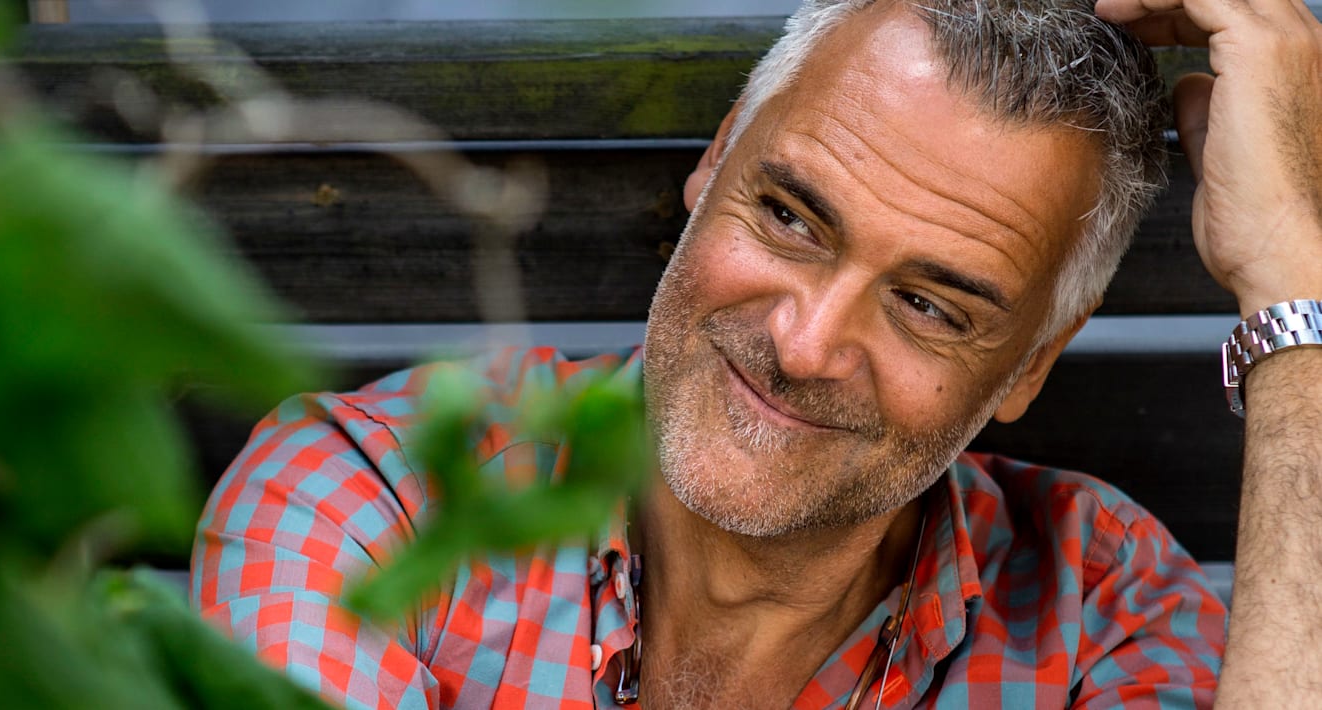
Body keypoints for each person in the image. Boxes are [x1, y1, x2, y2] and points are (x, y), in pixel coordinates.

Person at [191, 0, 1322, 705]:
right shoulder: (372, 502)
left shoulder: (1103, 610)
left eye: (929, 305)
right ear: (718, 156)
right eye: (789, 217)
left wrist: (1295, 287)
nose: (804, 342)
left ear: (1032, 362)